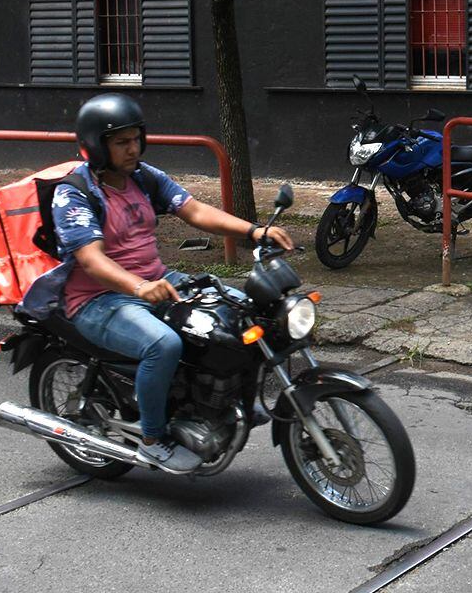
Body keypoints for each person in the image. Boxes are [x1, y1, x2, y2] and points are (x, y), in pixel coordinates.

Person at [53, 93, 293, 473]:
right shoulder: (74, 193)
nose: (133, 149)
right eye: (121, 142)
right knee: (162, 345)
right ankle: (153, 439)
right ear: (96, 146)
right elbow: (91, 260)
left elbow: (193, 210)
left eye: (136, 139)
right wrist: (138, 287)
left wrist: (255, 231)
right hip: (100, 298)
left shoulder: (143, 177)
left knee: (246, 313)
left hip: (158, 280)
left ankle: (235, 401)